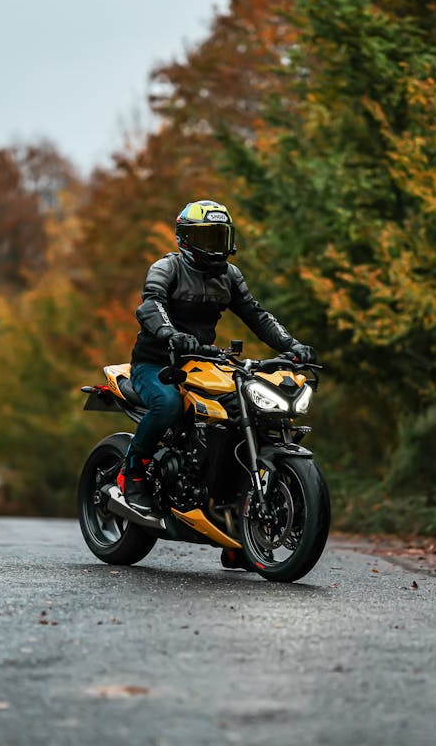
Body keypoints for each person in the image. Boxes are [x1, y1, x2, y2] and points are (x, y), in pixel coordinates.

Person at [118, 199, 316, 517]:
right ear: (185, 239)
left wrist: (292, 346)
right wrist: (170, 334)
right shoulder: (166, 267)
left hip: (205, 362)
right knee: (167, 404)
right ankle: (134, 474)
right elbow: (150, 306)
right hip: (156, 364)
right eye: (208, 238)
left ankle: (234, 514)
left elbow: (257, 315)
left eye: (220, 237)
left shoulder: (230, 275)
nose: (216, 246)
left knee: (243, 412)